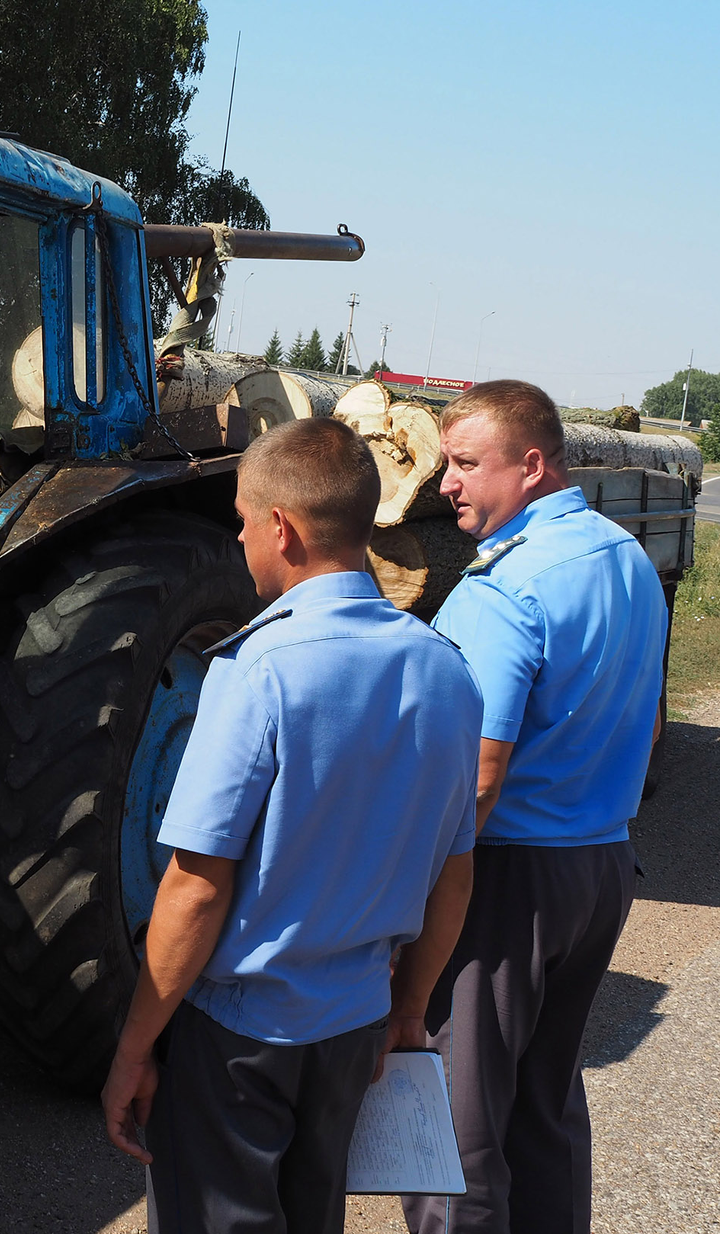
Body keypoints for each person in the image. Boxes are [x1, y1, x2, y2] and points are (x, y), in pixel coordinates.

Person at [100, 416, 483, 1234]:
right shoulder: (446, 670)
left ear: (281, 528)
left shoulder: (255, 671)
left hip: (242, 1036)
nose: (240, 540)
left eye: (241, 521)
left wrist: (135, 1046)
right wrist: (410, 1008)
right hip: (355, 1023)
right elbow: (455, 871)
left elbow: (196, 888)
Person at [402, 381, 667, 1234]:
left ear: (531, 464)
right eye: (447, 463)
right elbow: (653, 718)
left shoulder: (504, 592)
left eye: (466, 464)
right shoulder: (625, 557)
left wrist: (412, 902)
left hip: (509, 877)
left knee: (455, 1120)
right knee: (543, 1104)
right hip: (602, 866)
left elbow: (475, 776)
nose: (447, 483)